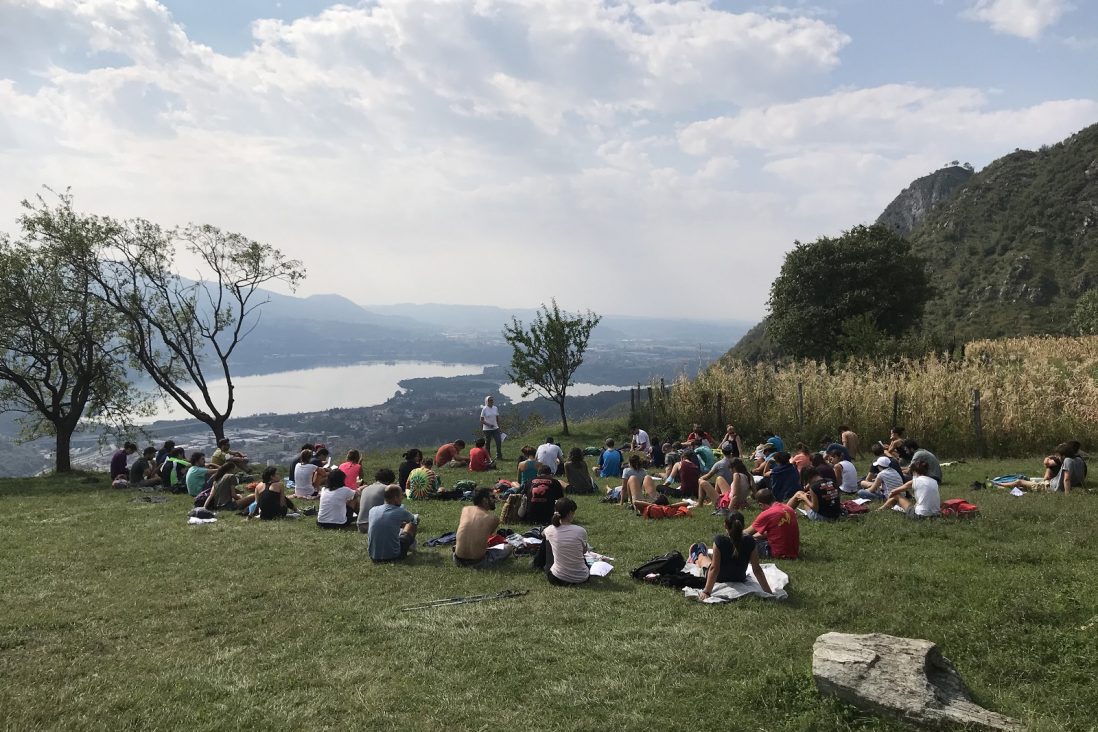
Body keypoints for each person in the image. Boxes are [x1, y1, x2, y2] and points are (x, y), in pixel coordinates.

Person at [694, 511, 774, 602]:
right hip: (739, 577)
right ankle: (700, 553)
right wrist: (768, 592)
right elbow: (757, 569)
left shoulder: (720, 540)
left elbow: (714, 568)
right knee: (708, 561)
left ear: (725, 525)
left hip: (720, 578)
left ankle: (698, 553)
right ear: (743, 526)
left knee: (703, 560)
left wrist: (707, 592)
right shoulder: (750, 541)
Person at [454, 487, 514, 568]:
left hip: (457, 560)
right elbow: (488, 540)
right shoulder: (493, 519)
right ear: (484, 500)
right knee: (508, 547)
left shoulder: (465, 510)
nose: (495, 500)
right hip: (478, 562)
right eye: (492, 497)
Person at [541, 498, 590, 586]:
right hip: (581, 577)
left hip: (557, 578)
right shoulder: (580, 531)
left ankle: (539, 564)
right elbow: (584, 551)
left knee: (548, 540)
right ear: (570, 513)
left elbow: (543, 534)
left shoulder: (549, 530)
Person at [367, 485, 418, 562]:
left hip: (373, 556)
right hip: (393, 556)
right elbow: (413, 519)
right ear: (395, 498)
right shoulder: (400, 511)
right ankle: (411, 547)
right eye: (401, 495)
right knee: (413, 522)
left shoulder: (372, 510)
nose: (402, 498)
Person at [746, 489, 799, 559]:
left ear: (760, 504)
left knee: (746, 542)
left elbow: (745, 533)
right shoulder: (789, 509)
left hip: (777, 553)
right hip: (793, 552)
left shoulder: (767, 514)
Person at [357, 468, 394, 534]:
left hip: (361, 525)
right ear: (388, 481)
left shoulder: (366, 489)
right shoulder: (386, 488)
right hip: (375, 526)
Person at [480, 395, 503, 461]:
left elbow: (497, 418)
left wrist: (499, 426)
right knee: (487, 443)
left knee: (498, 441)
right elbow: (481, 420)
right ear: (487, 401)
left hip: (495, 428)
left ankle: (499, 455)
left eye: (492, 400)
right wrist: (489, 425)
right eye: (490, 400)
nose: (491, 401)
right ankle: (488, 457)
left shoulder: (495, 408)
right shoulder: (484, 409)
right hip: (487, 429)